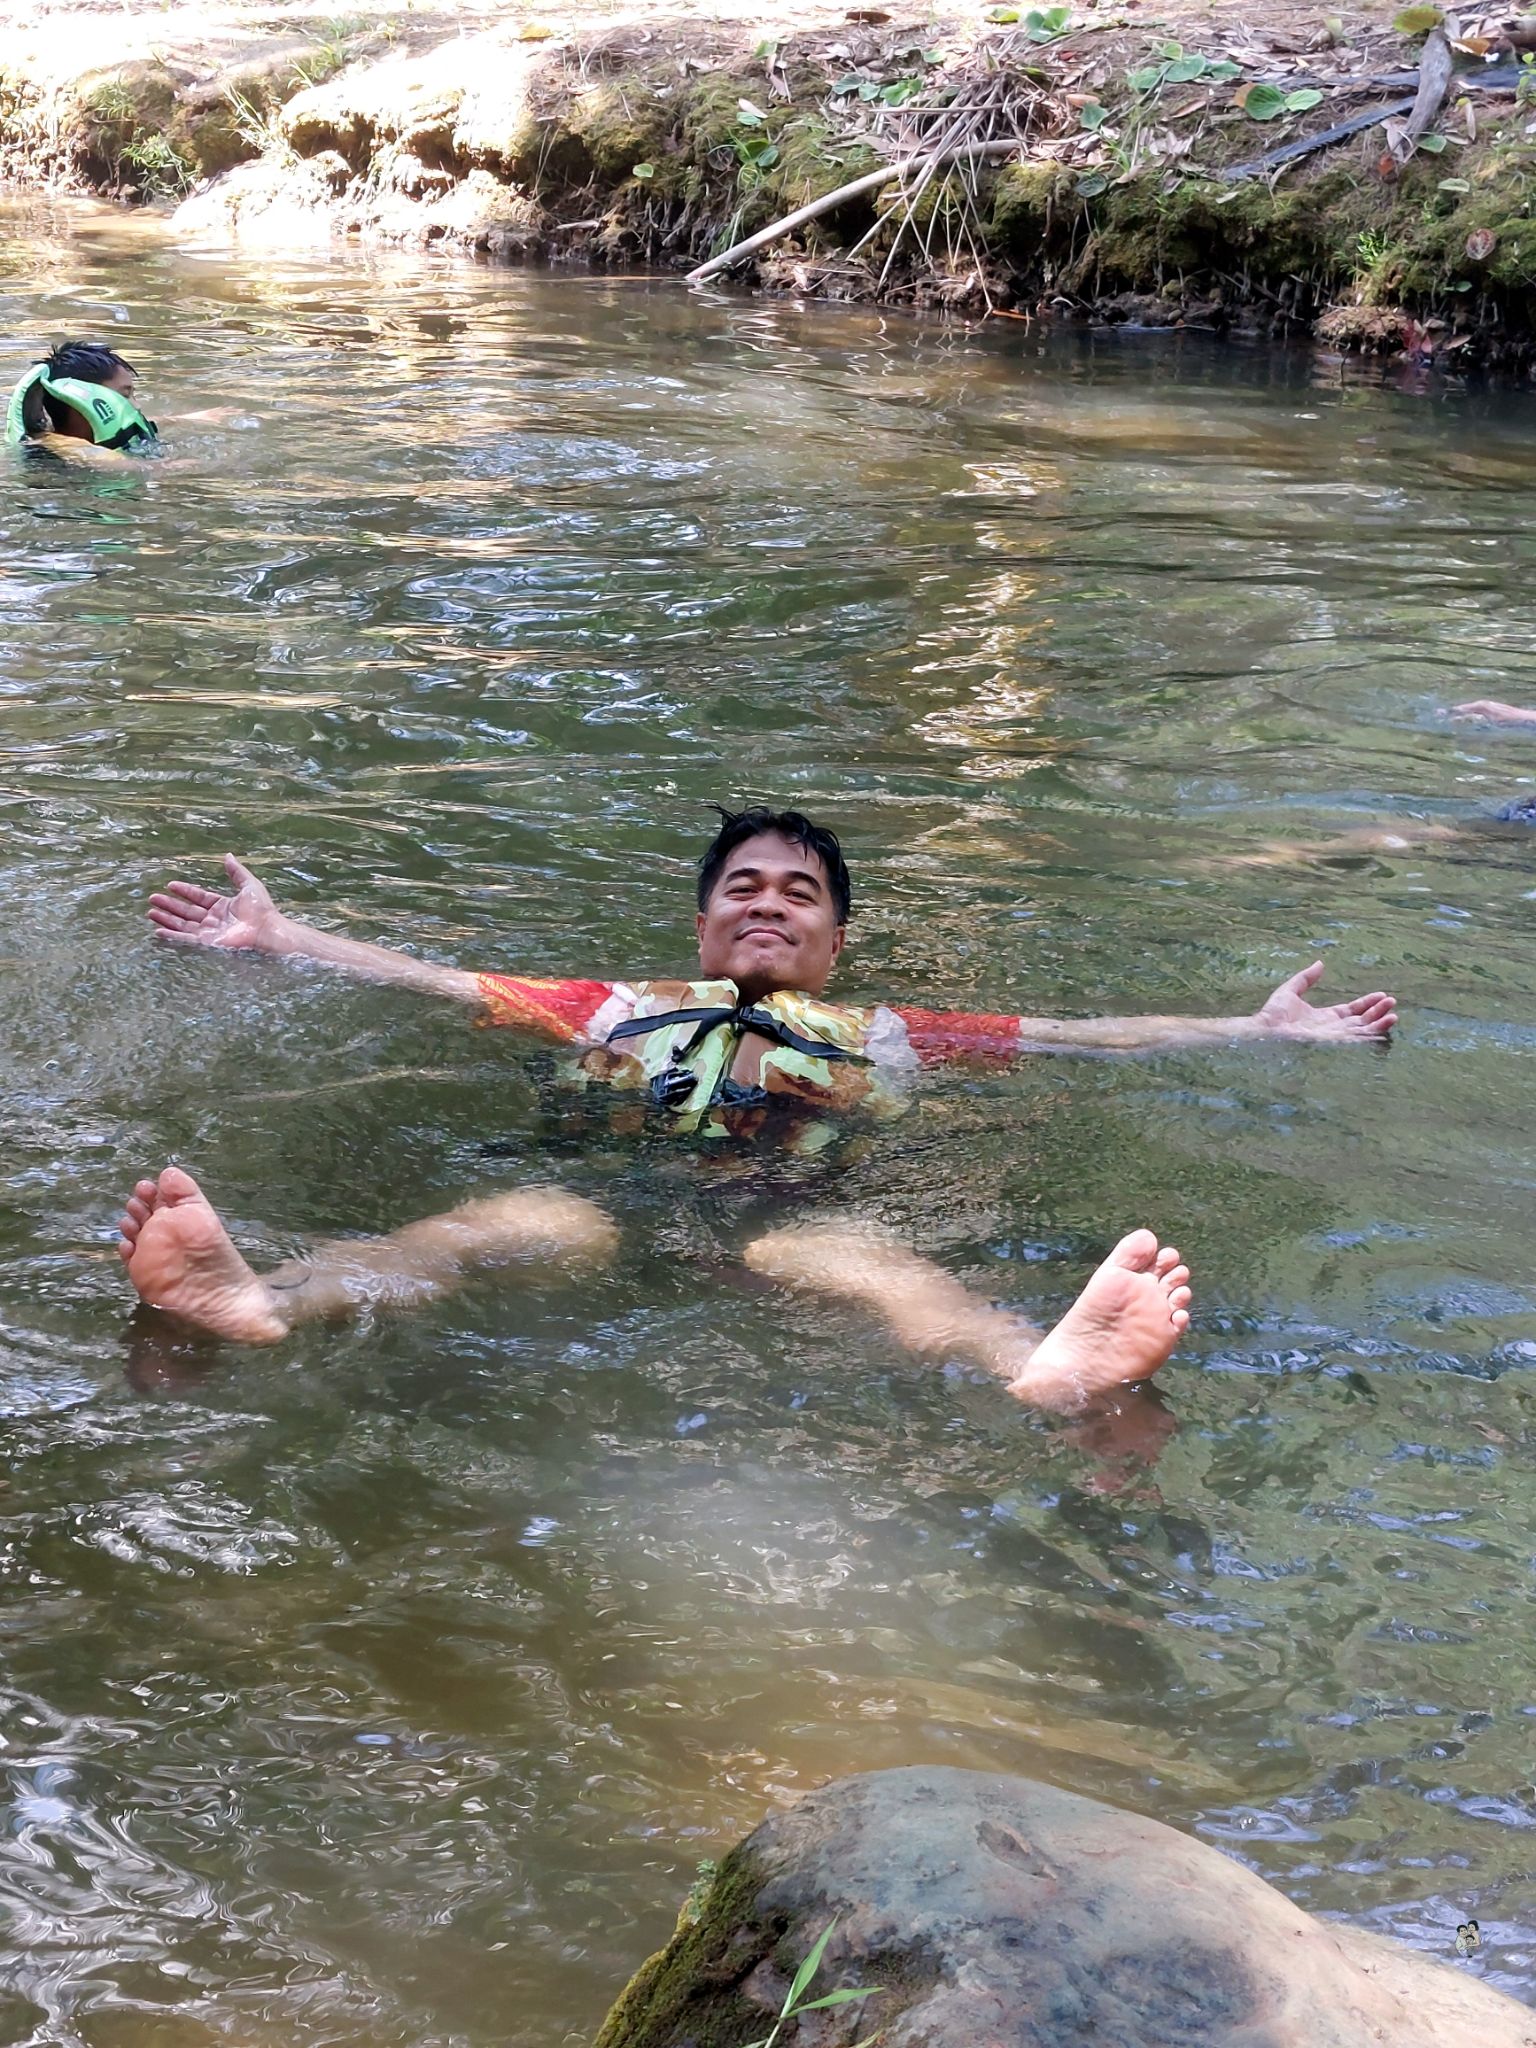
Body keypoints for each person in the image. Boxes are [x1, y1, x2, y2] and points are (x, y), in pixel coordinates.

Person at [119, 808, 1395, 1411]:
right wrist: (282, 938)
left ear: (834, 943)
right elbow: (432, 976)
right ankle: (263, 1300)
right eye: (742, 886)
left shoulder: (892, 1033)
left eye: (798, 893)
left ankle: (1037, 1369)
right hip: (596, 1194)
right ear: (702, 923)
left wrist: (1253, 1027)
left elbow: (1083, 1037)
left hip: (785, 1215)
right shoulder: (607, 1005)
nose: (768, 902)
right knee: (466, 1233)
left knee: (887, 1273)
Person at [6, 341, 158, 454]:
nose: (137, 406)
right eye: (124, 396)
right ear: (81, 403)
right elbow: (142, 468)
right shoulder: (69, 449)